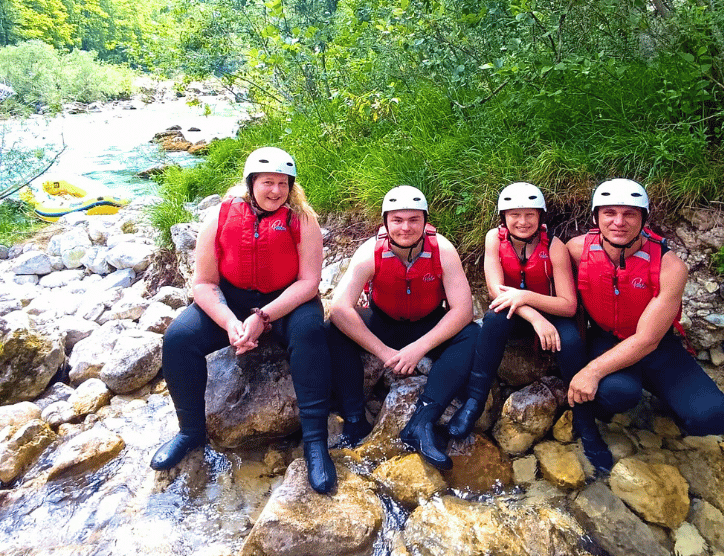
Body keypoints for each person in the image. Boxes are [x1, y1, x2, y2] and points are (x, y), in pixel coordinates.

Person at [150, 147, 337, 494]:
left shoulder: (302, 219)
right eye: (268, 182)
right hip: (233, 300)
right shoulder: (219, 216)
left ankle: (315, 443)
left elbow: (309, 282)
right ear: (251, 183)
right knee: (178, 339)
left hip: (288, 302)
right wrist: (230, 323)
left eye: (283, 183)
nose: (276, 191)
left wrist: (263, 317)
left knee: (311, 333)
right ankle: (190, 432)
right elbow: (204, 284)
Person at [563, 178, 724, 474]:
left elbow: (647, 339)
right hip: (606, 337)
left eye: (629, 214)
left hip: (655, 344)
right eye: (609, 213)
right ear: (595, 217)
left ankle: (664, 396)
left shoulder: (670, 267)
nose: (619, 222)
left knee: (713, 419)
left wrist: (590, 371)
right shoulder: (577, 250)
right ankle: (625, 395)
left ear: (643, 218)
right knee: (618, 394)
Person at [328, 186, 479, 470]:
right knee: (334, 330)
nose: (405, 228)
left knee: (472, 334)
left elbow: (463, 310)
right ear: (385, 222)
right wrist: (384, 353)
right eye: (397, 220)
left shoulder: (442, 250)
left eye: (413, 220)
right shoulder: (369, 252)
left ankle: (422, 422)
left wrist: (418, 349)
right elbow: (339, 308)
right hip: (383, 322)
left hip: (427, 323)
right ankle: (354, 420)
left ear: (425, 221)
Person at [447, 183, 582, 439]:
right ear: (504, 218)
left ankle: (583, 416)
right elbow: (496, 291)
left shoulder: (554, 247)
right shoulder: (494, 239)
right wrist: (533, 316)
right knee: (493, 318)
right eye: (514, 215)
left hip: (552, 311)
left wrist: (525, 297)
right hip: (522, 315)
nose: (522, 221)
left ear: (540, 216)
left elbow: (568, 304)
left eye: (530, 214)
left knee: (572, 340)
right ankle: (474, 402)